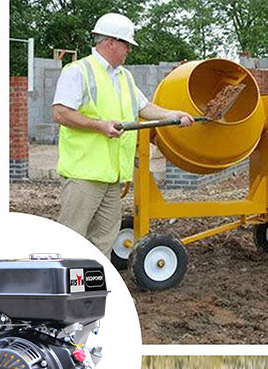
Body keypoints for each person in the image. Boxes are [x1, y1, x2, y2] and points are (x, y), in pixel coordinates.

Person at [52, 13, 194, 255]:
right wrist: (100, 125)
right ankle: (62, 289)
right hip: (84, 176)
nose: (129, 50)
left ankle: (95, 289)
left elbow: (144, 108)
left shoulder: (124, 76)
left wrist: (174, 115)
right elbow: (61, 113)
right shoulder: (78, 71)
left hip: (113, 176)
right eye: (126, 44)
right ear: (110, 42)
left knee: (104, 242)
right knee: (72, 240)